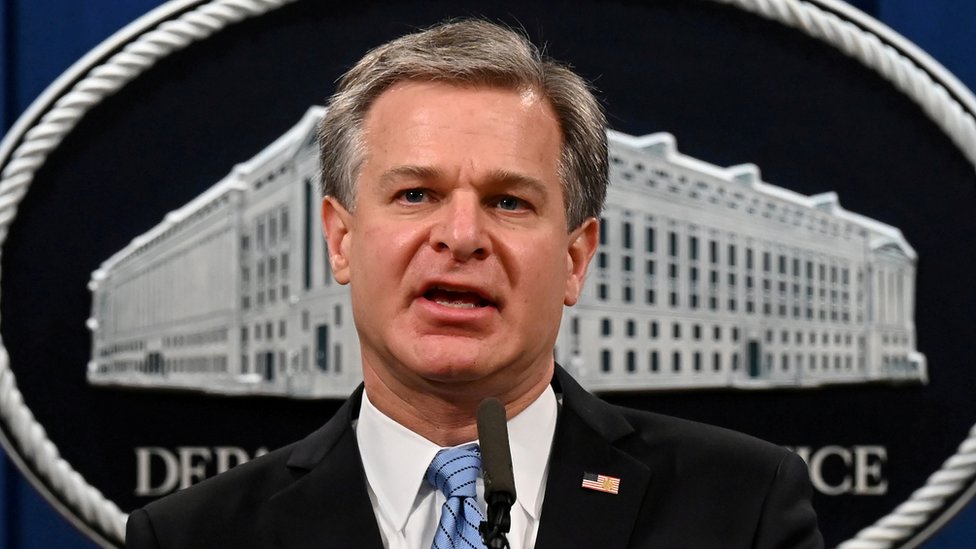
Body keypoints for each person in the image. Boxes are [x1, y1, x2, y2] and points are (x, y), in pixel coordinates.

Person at [126, 19, 823, 549]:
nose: (461, 236)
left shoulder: (741, 507)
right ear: (340, 239)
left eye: (509, 201)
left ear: (576, 258)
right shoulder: (191, 536)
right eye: (415, 195)